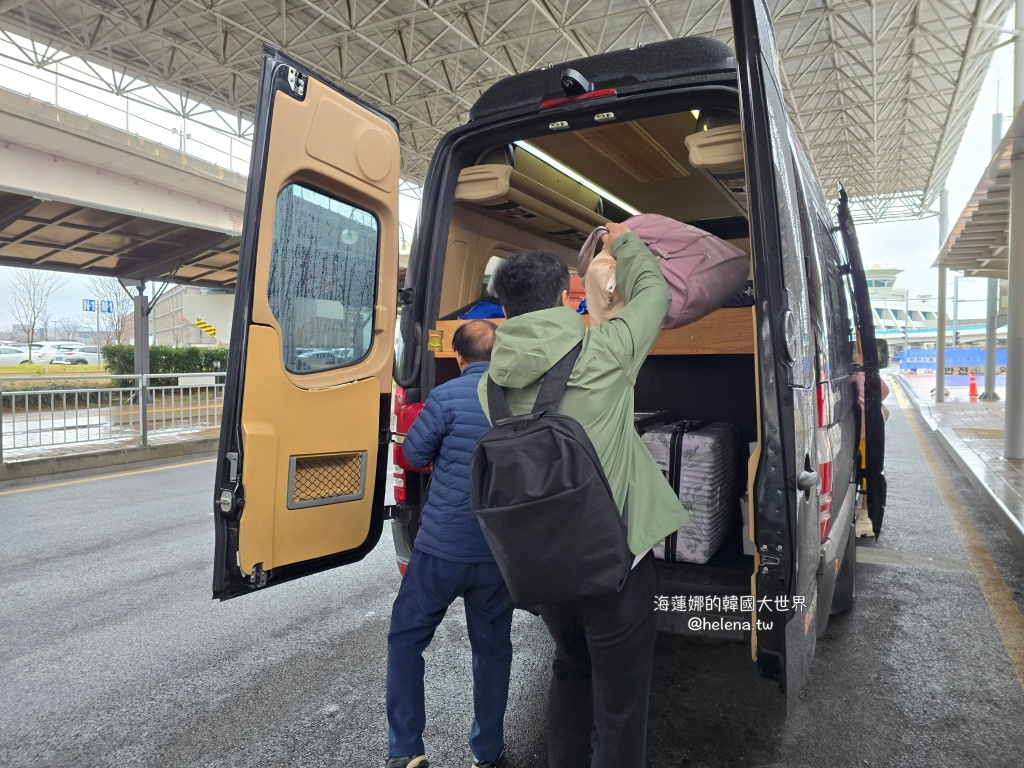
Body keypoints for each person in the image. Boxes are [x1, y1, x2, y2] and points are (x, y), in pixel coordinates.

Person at [479, 222, 689, 768]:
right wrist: (624, 243)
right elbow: (655, 294)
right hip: (612, 563)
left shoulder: (490, 384)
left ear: (503, 308)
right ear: (563, 296)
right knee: (620, 705)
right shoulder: (606, 352)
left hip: (542, 565)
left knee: (570, 668)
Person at [385, 319, 513, 768]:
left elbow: (413, 455)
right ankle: (487, 749)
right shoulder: (518, 399)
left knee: (406, 639)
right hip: (497, 552)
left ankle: (406, 750)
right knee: (493, 649)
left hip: (440, 548)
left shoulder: (445, 397)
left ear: (458, 358)